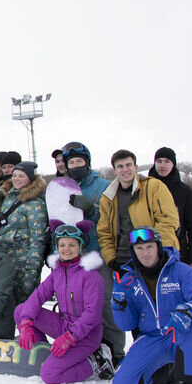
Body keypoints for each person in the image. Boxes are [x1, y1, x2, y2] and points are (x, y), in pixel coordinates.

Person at [110, 227, 192, 384]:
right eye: (139, 249)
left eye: (149, 247)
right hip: (152, 337)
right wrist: (119, 304)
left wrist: (189, 310)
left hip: (179, 331)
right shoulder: (130, 280)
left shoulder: (181, 271)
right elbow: (127, 325)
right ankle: (166, 371)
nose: (145, 253)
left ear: (158, 247)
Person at [14, 223, 111, 384]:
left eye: (72, 244)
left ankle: (96, 361)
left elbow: (92, 315)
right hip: (64, 325)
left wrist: (69, 338)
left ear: (80, 246)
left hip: (85, 336)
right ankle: (42, 353)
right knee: (21, 311)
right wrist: (25, 323)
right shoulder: (58, 271)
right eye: (62, 245)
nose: (66, 249)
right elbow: (37, 297)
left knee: (50, 375)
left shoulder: (91, 276)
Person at [62, 141, 127, 366]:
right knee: (78, 305)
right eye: (72, 162)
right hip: (74, 256)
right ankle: (89, 346)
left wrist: (92, 209)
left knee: (104, 302)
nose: (76, 165)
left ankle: (116, 349)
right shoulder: (63, 187)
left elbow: (115, 217)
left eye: (79, 161)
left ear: (87, 162)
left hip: (98, 252)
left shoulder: (104, 186)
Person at [98, 149, 180, 273]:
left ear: (136, 167)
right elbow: (104, 232)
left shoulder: (154, 187)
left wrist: (160, 254)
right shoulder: (108, 197)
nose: (125, 170)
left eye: (128, 165)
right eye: (120, 166)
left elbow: (167, 221)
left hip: (152, 259)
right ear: (114, 170)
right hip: (123, 261)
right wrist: (111, 260)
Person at [0, 161, 49, 303]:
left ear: (30, 179)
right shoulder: (10, 197)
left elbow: (38, 239)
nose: (16, 179)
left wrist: (31, 270)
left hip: (24, 263)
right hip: (7, 259)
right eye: (14, 175)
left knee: (25, 308)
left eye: (21, 176)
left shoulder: (35, 204)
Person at [148, 147, 192, 270]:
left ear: (173, 164)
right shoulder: (143, 189)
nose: (162, 165)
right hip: (145, 253)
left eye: (167, 161)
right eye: (159, 161)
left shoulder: (186, 193)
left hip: (177, 254)